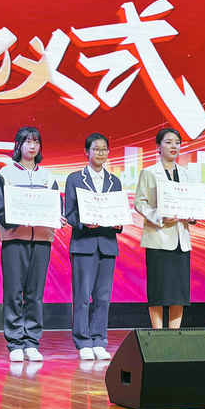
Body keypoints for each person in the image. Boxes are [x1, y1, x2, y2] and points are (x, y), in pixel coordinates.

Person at [0, 126, 63, 362]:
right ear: (18, 145)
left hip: (42, 240)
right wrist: (18, 218)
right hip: (14, 240)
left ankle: (31, 341)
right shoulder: (6, 174)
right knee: (13, 292)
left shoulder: (48, 177)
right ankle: (14, 342)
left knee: (35, 294)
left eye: (36, 142)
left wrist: (58, 217)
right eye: (27, 142)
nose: (32, 146)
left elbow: (56, 207)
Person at [64, 133, 123, 361]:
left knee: (103, 297)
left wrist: (118, 223)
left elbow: (119, 211)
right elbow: (69, 213)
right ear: (86, 152)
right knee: (82, 295)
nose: (101, 153)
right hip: (83, 243)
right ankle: (83, 341)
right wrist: (83, 223)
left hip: (107, 244)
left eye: (104, 149)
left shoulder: (114, 181)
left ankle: (99, 339)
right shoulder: (75, 179)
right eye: (96, 149)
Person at [134, 127, 195, 329]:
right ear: (158, 147)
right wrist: (160, 217)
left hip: (181, 240)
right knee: (158, 291)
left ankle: (174, 336)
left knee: (179, 293)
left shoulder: (186, 175)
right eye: (168, 142)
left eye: (177, 143)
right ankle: (158, 335)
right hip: (158, 239)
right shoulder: (149, 173)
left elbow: (192, 202)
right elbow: (140, 202)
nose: (173, 146)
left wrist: (193, 215)